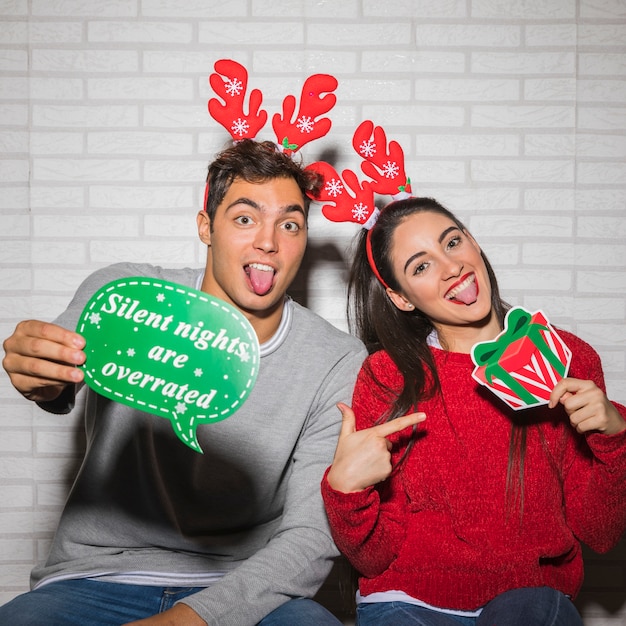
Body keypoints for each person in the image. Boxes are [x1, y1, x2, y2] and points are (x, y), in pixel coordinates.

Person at [1, 139, 367, 626]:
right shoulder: (127, 293)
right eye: (244, 218)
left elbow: (310, 536)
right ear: (205, 228)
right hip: (96, 577)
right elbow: (59, 374)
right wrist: (41, 374)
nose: (268, 241)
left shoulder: (336, 359)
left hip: (247, 587)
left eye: (290, 223)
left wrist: (191, 618)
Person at [320, 196, 626, 626]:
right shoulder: (386, 375)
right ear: (400, 297)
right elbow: (373, 558)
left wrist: (615, 442)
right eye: (420, 266)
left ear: (474, 243)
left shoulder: (567, 357)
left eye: (452, 242)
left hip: (527, 600)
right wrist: (346, 493)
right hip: (408, 602)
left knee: (532, 608)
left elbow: (600, 533)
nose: (451, 267)